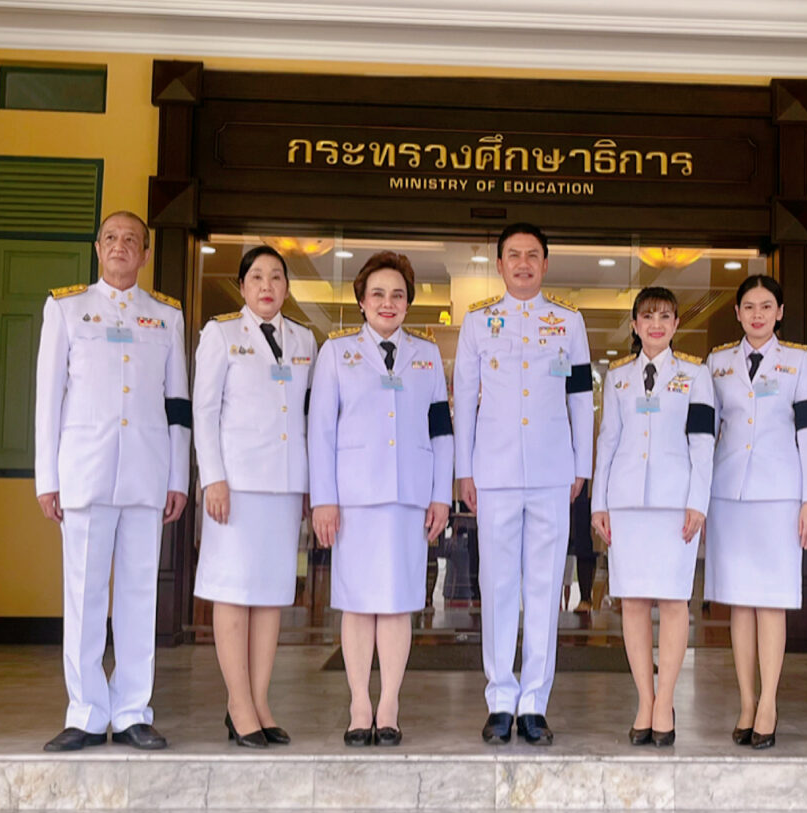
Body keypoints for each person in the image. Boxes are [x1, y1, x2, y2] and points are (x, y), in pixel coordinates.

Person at [34, 211, 190, 752]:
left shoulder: (166, 316)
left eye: (131, 240)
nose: (120, 246)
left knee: (139, 595)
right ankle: (85, 712)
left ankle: (130, 712)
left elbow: (177, 404)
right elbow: (48, 398)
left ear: (145, 253)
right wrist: (47, 477)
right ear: (98, 249)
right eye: (111, 238)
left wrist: (178, 475)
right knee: (83, 594)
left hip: (147, 473)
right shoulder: (66, 308)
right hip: (84, 471)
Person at [453, 222, 593, 745]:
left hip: (553, 470)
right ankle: (499, 699)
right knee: (497, 585)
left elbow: (581, 396)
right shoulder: (477, 322)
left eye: (533, 255)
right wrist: (463, 469)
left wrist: (582, 465)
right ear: (500, 264)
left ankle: (534, 701)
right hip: (494, 471)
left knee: (544, 586)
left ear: (545, 264)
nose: (523, 263)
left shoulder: (569, 322)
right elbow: (464, 398)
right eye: (513, 255)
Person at [309, 251, 452, 747]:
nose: (387, 303)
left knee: (397, 603)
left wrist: (441, 495)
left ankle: (389, 703)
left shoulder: (427, 355)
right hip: (352, 499)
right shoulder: (336, 353)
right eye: (378, 294)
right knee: (356, 603)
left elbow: (441, 430)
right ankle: (359, 704)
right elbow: (320, 430)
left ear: (408, 302)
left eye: (397, 295)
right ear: (362, 301)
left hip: (409, 497)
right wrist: (323, 499)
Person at [192, 245, 316, 748]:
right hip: (236, 486)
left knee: (270, 595)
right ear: (242, 286)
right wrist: (212, 478)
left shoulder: (304, 338)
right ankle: (238, 704)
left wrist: (309, 486)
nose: (267, 286)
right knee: (233, 592)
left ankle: (260, 701)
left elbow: (306, 416)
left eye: (277, 277)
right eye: (257, 277)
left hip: (285, 484)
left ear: (286, 287)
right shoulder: (221, 334)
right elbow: (204, 411)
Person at [704, 274, 807, 750]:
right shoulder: (717, 363)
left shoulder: (798, 361)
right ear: (737, 313)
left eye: (766, 306)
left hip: (780, 495)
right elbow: (704, 435)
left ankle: (770, 703)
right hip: (729, 494)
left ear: (780, 313)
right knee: (739, 601)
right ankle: (746, 702)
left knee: (771, 601)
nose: (757, 315)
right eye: (749, 307)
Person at [591, 286, 715, 747]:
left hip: (674, 503)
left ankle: (666, 701)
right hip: (626, 504)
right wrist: (599, 502)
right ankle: (645, 700)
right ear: (635, 324)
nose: (656, 324)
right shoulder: (619, 376)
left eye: (665, 316)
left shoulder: (695, 375)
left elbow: (703, 442)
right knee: (634, 602)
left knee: (674, 601)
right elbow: (607, 439)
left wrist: (698, 501)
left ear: (677, 324)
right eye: (648, 316)